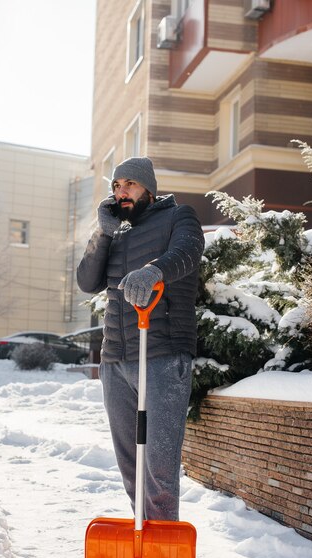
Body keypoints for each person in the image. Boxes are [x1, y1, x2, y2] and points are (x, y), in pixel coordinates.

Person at [77, 156, 204, 521]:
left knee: (159, 469)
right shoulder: (115, 231)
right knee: (130, 465)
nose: (121, 192)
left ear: (149, 188)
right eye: (116, 186)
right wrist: (103, 232)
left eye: (129, 184)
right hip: (115, 359)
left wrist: (155, 270)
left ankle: (162, 553)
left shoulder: (179, 216)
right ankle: (141, 540)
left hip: (163, 355)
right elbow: (87, 282)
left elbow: (189, 252)